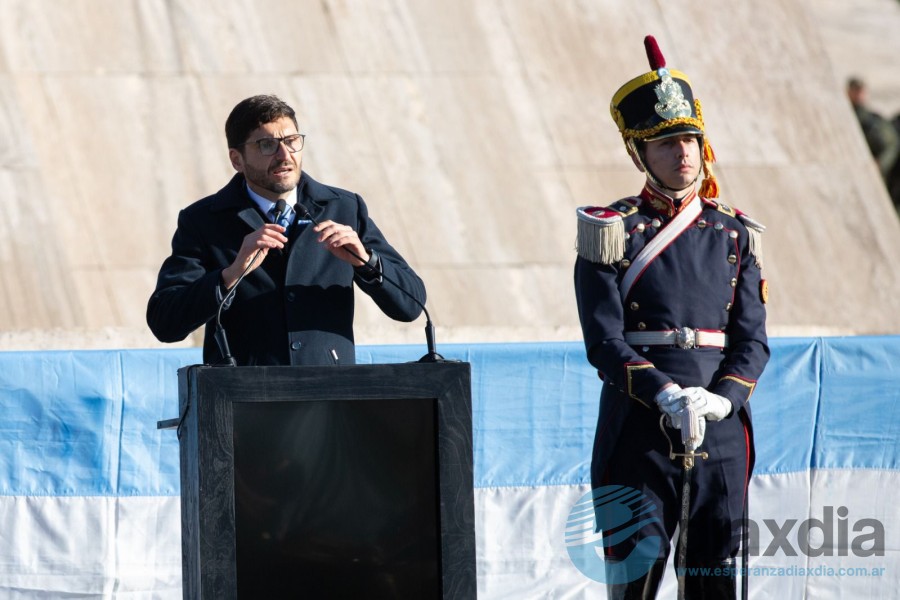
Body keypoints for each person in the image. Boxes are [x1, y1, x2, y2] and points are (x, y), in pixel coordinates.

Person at [573, 36, 770, 599]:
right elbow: (604, 339)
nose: (684, 153)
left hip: (720, 429)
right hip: (640, 430)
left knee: (713, 580)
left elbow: (752, 341)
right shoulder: (610, 231)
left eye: (690, 139)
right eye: (666, 143)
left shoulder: (735, 232)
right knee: (633, 581)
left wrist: (723, 397)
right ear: (638, 153)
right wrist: (663, 392)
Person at [147, 94, 426, 366]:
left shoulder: (344, 208)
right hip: (244, 400)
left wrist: (367, 263)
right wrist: (230, 275)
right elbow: (165, 322)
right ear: (237, 160)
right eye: (267, 145)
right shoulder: (203, 220)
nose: (284, 155)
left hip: (331, 397)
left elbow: (411, 305)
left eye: (292, 141)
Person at [846, 77, 900, 185]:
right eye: (856, 91)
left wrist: (881, 163)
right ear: (848, 92)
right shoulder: (851, 113)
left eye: (860, 91)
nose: (859, 95)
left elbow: (892, 143)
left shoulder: (871, 118)